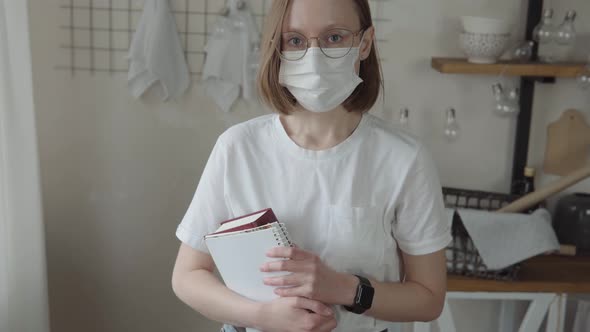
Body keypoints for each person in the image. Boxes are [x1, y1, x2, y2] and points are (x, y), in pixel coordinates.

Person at [171, 0, 452, 331]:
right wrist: (262, 317)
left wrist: (343, 288)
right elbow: (188, 276)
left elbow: (429, 298)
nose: (314, 57)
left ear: (364, 43)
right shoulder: (237, 148)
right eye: (295, 40)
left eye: (334, 37)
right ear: (277, 47)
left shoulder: (404, 160)